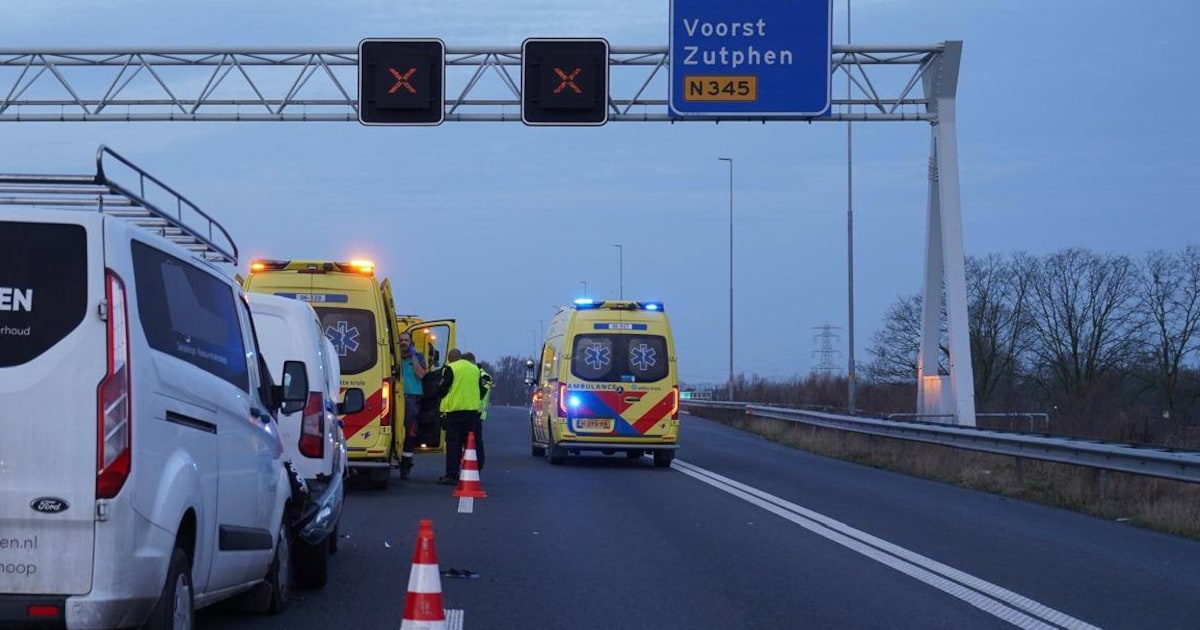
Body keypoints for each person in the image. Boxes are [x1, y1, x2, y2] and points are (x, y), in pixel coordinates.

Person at [436, 348, 486, 485]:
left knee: (453, 444)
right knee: (473, 444)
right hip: (473, 413)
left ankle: (452, 475)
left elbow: (442, 389)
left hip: (455, 413)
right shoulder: (475, 369)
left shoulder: (451, 368)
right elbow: (482, 390)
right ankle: (475, 470)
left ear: (451, 359)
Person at [397, 331, 426, 480]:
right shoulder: (394, 356)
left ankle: (406, 466)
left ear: (411, 342)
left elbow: (420, 375)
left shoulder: (418, 357)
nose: (403, 343)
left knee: (410, 431)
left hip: (412, 398)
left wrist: (413, 357)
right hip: (396, 397)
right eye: (401, 340)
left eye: (406, 340)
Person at [463, 352, 494, 472]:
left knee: (476, 443)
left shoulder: (483, 376)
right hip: (471, 411)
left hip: (476, 412)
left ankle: (478, 466)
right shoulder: (478, 374)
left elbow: (481, 393)